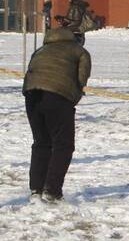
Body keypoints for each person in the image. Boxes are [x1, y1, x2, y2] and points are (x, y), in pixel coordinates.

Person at [22, 25, 92, 202]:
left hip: (32, 95)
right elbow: (81, 79)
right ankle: (52, 190)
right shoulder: (80, 52)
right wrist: (72, 100)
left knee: (41, 142)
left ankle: (36, 189)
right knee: (63, 144)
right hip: (58, 96)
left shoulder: (41, 50)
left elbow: (29, 74)